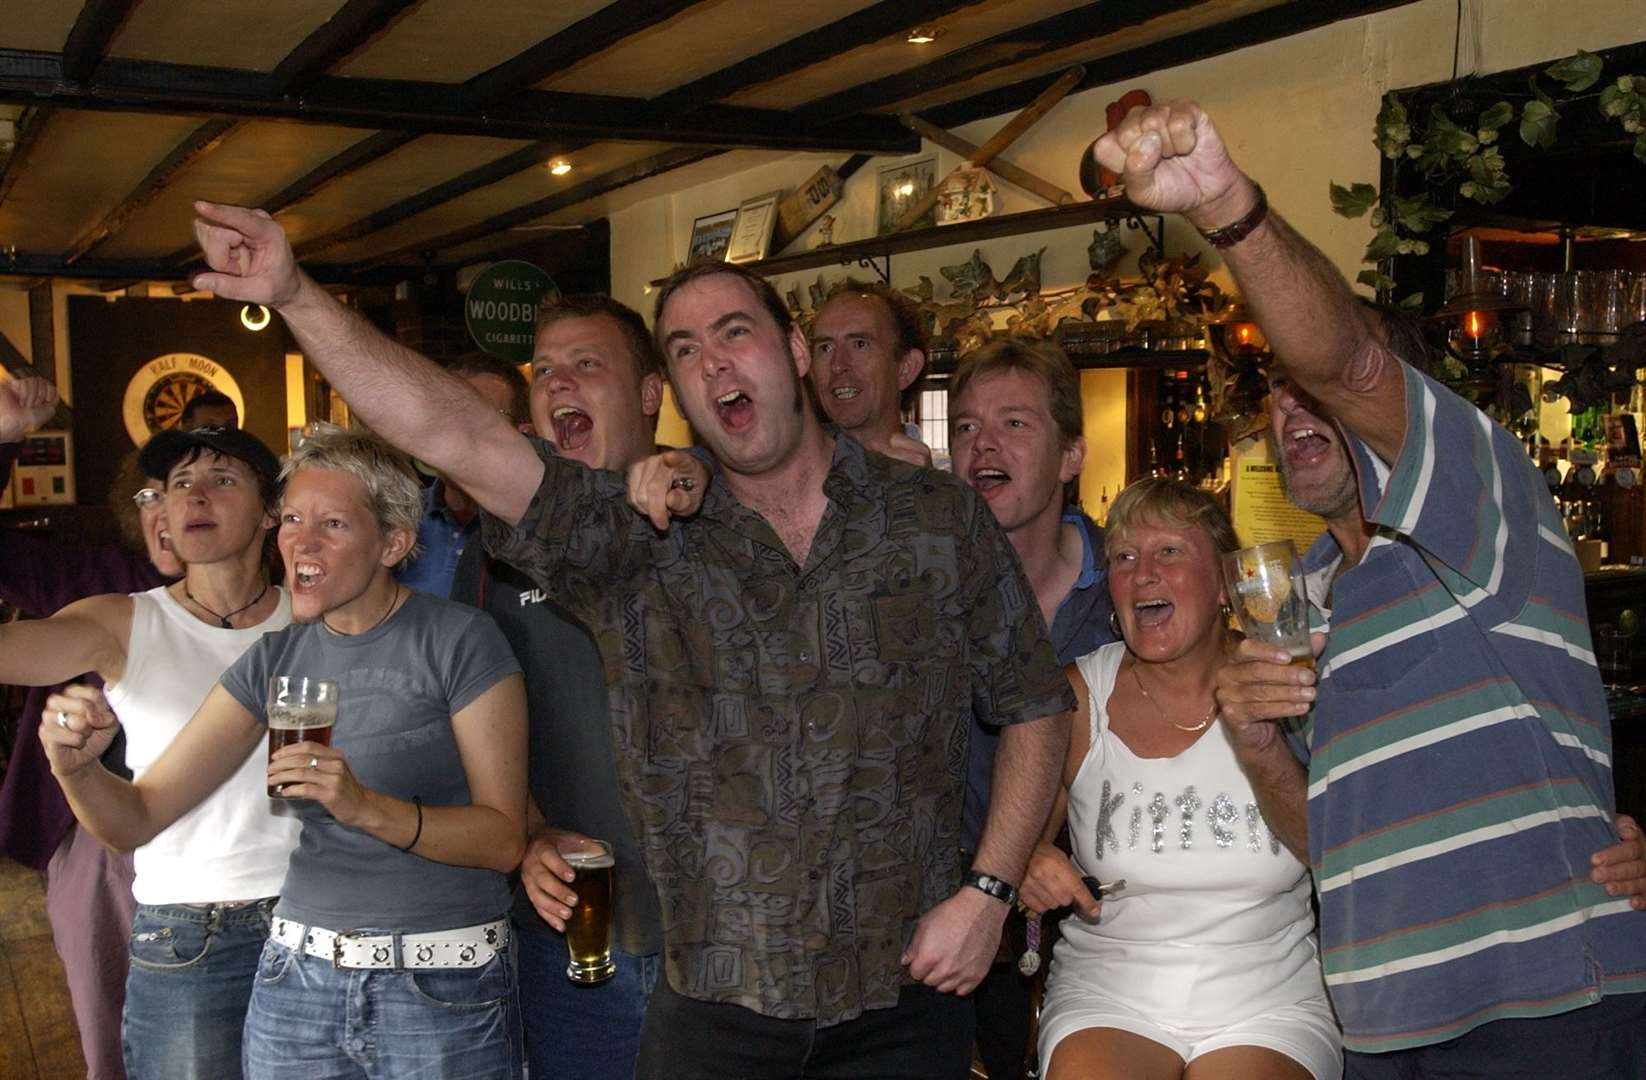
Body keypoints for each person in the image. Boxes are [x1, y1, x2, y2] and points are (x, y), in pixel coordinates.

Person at [188, 202, 1073, 1080]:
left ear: (795, 353)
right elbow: (457, 434)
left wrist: (989, 892)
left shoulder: (935, 518)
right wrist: (298, 294)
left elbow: (1035, 702)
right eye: (685, 350)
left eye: (734, 332)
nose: (713, 360)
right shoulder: (637, 538)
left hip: (906, 990)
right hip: (714, 1005)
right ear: (676, 391)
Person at [1090, 99, 1646, 1076]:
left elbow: (1344, 361)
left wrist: (1224, 204)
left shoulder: (1483, 510)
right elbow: (1323, 843)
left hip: (1542, 1010)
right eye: (1274, 393)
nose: (1288, 404)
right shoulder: (1294, 595)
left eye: (1313, 390)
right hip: (1380, 1027)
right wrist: (1257, 742)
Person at [42, 424, 529, 1080]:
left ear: (394, 542)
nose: (301, 540)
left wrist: (363, 807)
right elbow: (137, 816)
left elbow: (504, 839)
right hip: (299, 983)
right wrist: (77, 770)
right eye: (293, 518)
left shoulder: (460, 640)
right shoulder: (275, 659)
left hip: (439, 984)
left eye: (332, 523)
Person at [1, 418, 295, 1080]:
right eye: (179, 483)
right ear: (157, 511)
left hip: (318, 920)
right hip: (189, 933)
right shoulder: (122, 621)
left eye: (222, 480)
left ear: (273, 509)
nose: (196, 498)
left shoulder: (318, 619)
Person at [1021, 477, 1340, 1080]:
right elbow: (1013, 840)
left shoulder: (1287, 679)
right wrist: (1030, 859)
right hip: (1109, 992)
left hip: (1269, 999)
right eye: (1123, 557)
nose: (1143, 573)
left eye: (1169, 551)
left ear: (1226, 582)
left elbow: (1335, 853)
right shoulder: (1076, 696)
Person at [451, 293, 668, 1080]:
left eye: (587, 364)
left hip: (725, 945)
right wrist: (531, 831)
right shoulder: (495, 553)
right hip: (577, 929)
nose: (558, 383)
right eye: (544, 370)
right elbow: (475, 721)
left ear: (649, 394)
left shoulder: (716, 517)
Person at [0, 376, 180, 1080]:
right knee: (111, 1036)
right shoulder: (95, 578)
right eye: (151, 495)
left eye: (198, 489)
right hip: (101, 842)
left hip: (227, 841)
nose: (173, 509)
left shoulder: (269, 595)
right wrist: (8, 439)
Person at [948, 338, 1117, 1079]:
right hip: (944, 934)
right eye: (964, 426)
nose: (982, 444)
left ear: (1072, 455)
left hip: (1101, 936)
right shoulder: (910, 595)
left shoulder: (1133, 592)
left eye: (1014, 423)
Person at [397, 351, 530, 597]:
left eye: (480, 418)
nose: (456, 434)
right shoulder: (397, 518)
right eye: (445, 416)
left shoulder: (545, 529)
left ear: (523, 435)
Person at [808, 279, 931, 465]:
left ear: (906, 368)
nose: (838, 365)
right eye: (826, 348)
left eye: (860, 345)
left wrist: (929, 490)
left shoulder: (951, 487)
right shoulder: (785, 481)